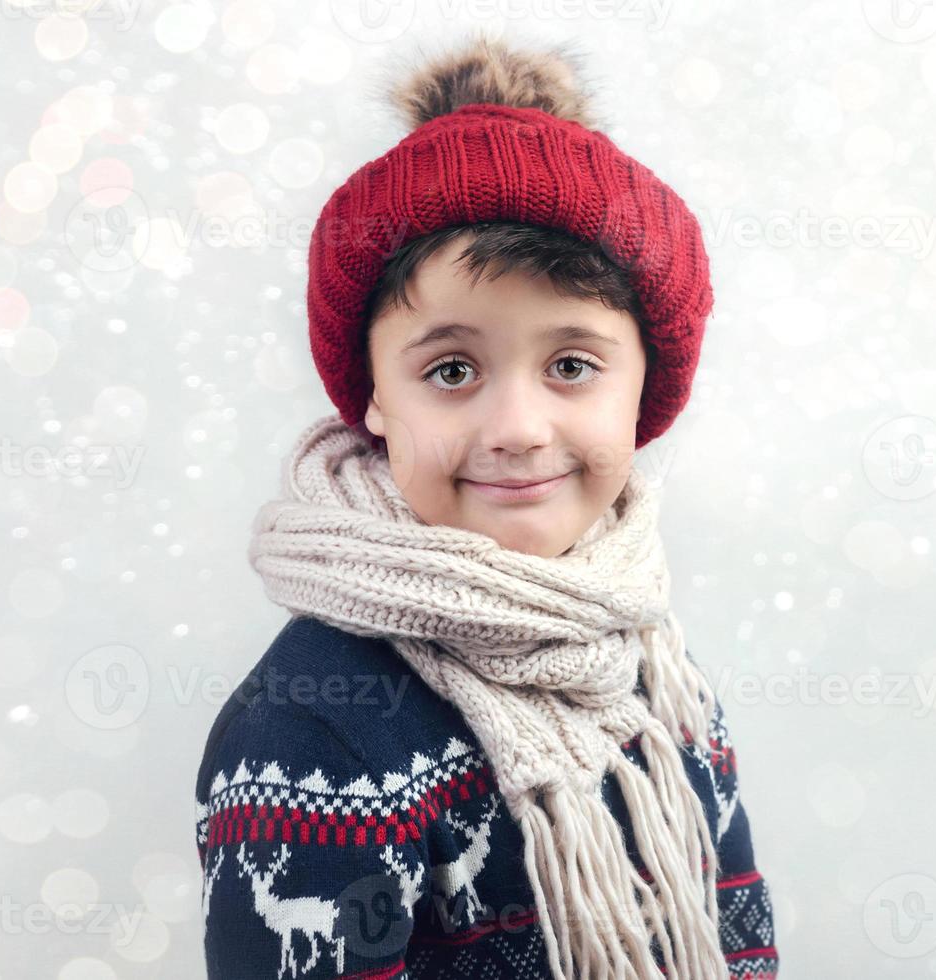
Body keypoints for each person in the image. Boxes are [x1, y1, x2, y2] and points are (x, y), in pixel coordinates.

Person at [193, 33, 780, 980]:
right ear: (374, 395)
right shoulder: (315, 730)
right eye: (453, 370)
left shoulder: (651, 668)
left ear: (643, 391)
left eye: (572, 367)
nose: (518, 427)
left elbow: (735, 937)